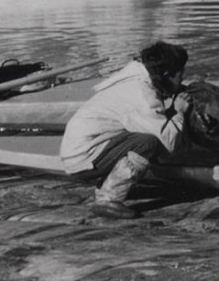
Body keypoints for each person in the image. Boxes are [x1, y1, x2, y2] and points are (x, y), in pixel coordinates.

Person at [60, 41, 190, 219]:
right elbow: (169, 142)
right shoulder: (142, 94)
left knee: (143, 138)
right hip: (83, 157)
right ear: (167, 74)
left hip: (79, 149)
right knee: (147, 143)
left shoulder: (132, 77)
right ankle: (108, 199)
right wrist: (178, 112)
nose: (181, 80)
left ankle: (111, 185)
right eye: (180, 75)